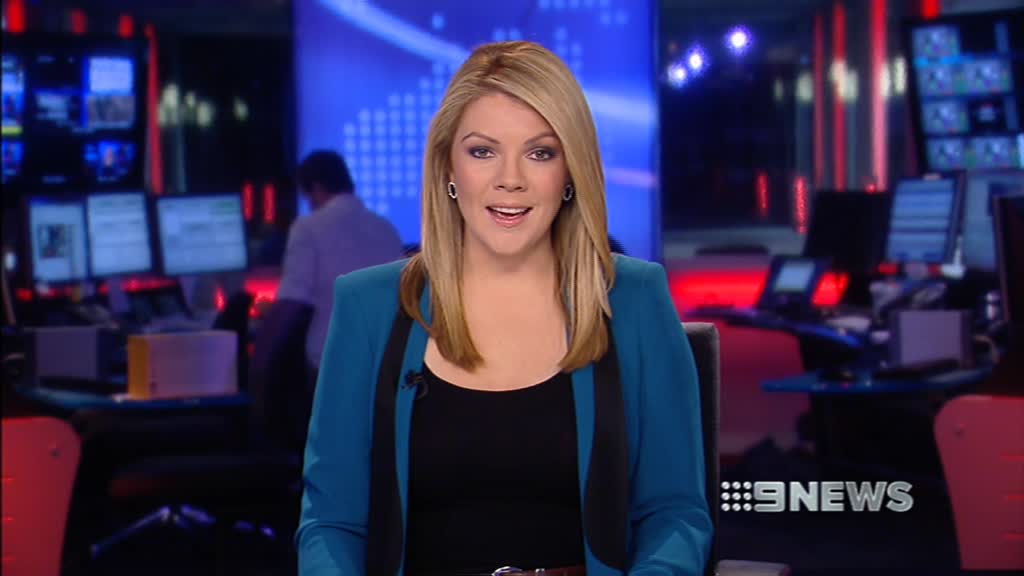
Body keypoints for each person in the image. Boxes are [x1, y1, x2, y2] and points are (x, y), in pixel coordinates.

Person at [297, 41, 711, 575]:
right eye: (482, 152)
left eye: (540, 153)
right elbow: (331, 523)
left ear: (570, 172)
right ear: (448, 168)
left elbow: (675, 514)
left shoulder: (634, 298)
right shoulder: (368, 307)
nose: (510, 179)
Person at [275, 150, 404, 368]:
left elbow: (292, 302)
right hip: (385, 360)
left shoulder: (307, 228)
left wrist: (261, 355)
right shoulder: (387, 229)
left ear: (316, 188)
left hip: (331, 361)